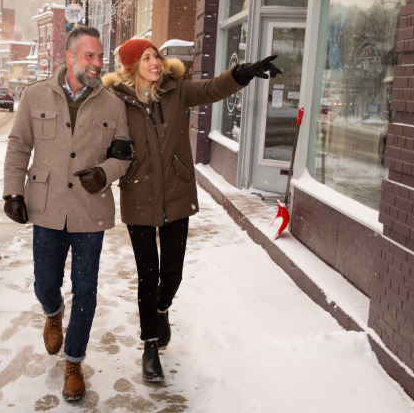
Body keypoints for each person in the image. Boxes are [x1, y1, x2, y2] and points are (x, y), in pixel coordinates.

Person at [102, 39, 281, 382]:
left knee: (172, 275)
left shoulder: (176, 90)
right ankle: (150, 346)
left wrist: (240, 74)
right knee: (146, 275)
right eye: (147, 58)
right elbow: (99, 138)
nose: (156, 62)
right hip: (138, 194)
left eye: (157, 55)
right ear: (130, 66)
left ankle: (162, 308)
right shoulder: (116, 102)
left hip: (176, 192)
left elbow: (212, 89)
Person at [3, 26, 132, 401]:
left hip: (90, 210)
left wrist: (105, 173)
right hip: (46, 207)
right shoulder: (35, 94)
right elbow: (18, 145)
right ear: (70, 56)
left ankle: (74, 362)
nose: (96, 63)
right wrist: (13, 191)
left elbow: (123, 153)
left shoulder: (112, 102)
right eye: (89, 55)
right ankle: (53, 312)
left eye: (100, 56)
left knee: (87, 289)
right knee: (45, 281)